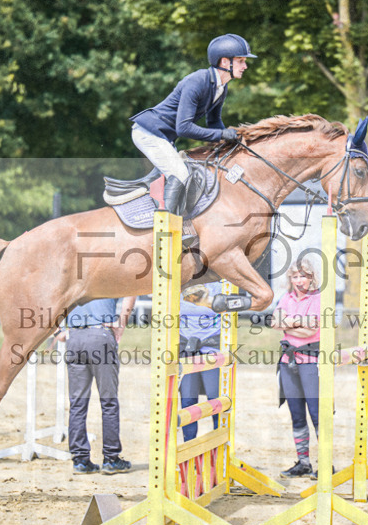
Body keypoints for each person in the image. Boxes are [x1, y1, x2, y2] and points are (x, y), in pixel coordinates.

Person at [130, 33, 256, 229]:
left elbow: (214, 121)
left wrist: (230, 144)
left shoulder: (221, 87)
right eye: (240, 61)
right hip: (148, 132)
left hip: (163, 136)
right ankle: (164, 230)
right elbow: (184, 127)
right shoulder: (197, 81)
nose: (245, 66)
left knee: (191, 171)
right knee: (180, 174)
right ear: (225, 61)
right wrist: (222, 135)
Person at [64, 296, 136, 475]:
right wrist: (121, 323)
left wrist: (60, 328)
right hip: (100, 335)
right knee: (109, 400)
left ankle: (80, 460)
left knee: (77, 403)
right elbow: (131, 294)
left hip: (74, 336)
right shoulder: (108, 270)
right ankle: (111, 458)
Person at [272, 258, 322, 479]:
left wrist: (288, 323)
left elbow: (311, 329)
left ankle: (326, 462)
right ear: (290, 279)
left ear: (311, 278)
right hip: (288, 361)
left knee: (317, 413)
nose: (299, 280)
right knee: (297, 414)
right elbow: (274, 322)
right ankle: (303, 462)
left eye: (303, 275)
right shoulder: (286, 297)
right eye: (295, 276)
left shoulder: (318, 298)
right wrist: (297, 324)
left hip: (310, 360)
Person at [179, 283, 222, 441]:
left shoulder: (219, 285)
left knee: (215, 399)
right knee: (188, 401)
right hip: (187, 349)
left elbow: (218, 310)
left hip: (212, 350)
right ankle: (188, 446)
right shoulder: (182, 281)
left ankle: (219, 447)